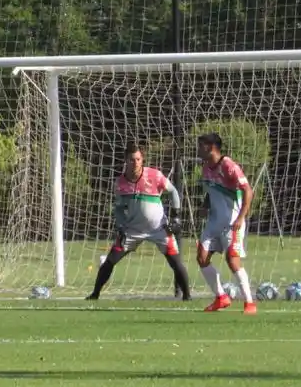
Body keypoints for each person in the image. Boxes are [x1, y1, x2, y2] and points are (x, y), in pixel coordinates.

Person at [87, 142, 191, 301]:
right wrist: (120, 226)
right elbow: (119, 209)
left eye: (138, 159)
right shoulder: (120, 182)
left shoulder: (155, 175)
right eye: (131, 159)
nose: (135, 163)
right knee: (110, 260)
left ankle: (187, 297)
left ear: (142, 160)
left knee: (175, 262)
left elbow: (173, 192)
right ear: (125, 161)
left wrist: (176, 216)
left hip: (159, 229)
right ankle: (95, 294)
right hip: (133, 230)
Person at [195, 133, 257, 315]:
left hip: (232, 222)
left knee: (232, 260)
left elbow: (248, 190)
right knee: (202, 257)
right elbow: (211, 191)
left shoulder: (228, 165)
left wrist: (240, 217)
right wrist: (205, 206)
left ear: (211, 147)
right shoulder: (206, 167)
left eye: (200, 146)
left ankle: (250, 302)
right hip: (214, 221)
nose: (198, 149)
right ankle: (221, 297)